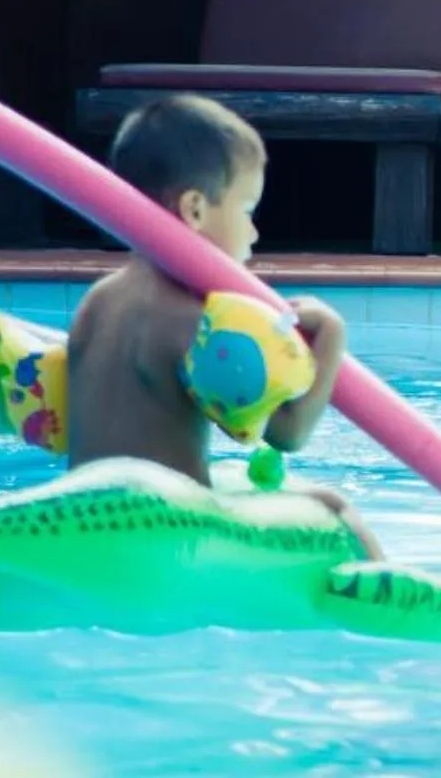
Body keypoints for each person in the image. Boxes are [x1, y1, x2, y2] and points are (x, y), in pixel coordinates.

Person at [66, 94, 379, 556]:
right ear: (194, 209)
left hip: (82, 519)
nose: (253, 233)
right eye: (247, 210)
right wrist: (331, 336)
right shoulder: (195, 324)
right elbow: (287, 434)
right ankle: (391, 589)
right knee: (332, 508)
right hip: (166, 530)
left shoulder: (97, 300)